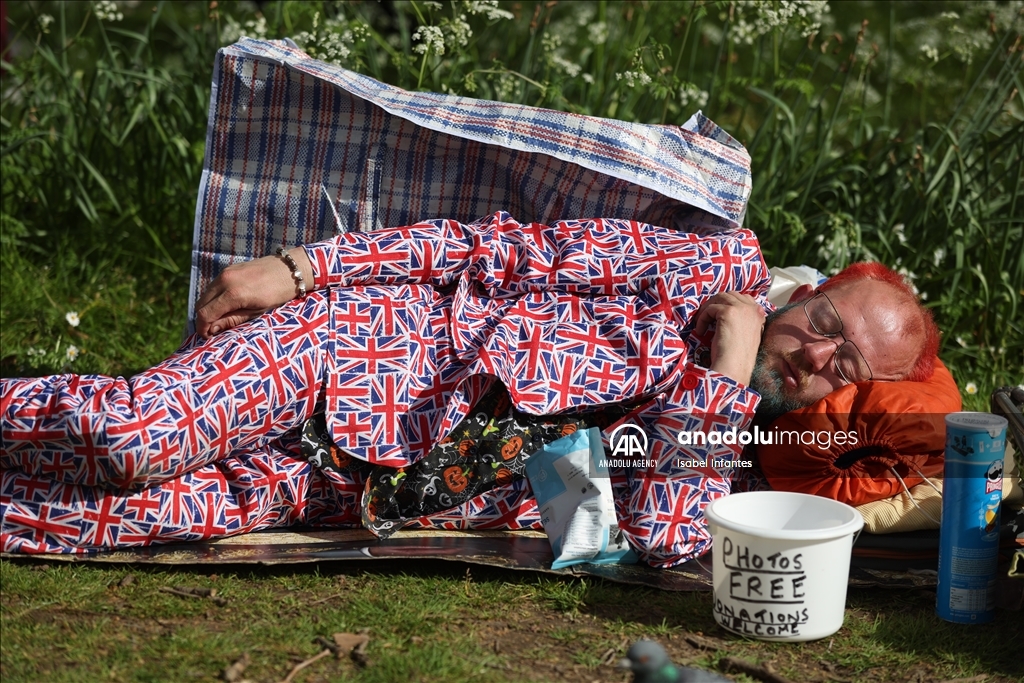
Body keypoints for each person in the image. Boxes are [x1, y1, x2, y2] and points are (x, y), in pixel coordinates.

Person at [0, 212, 937, 566]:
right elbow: (494, 247)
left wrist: (724, 377)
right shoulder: (698, 264)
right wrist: (300, 267)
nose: (818, 356)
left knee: (86, 519)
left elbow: (663, 538)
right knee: (129, 438)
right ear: (807, 292)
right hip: (365, 351)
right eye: (825, 326)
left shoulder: (736, 447)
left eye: (845, 365)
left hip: (351, 487)